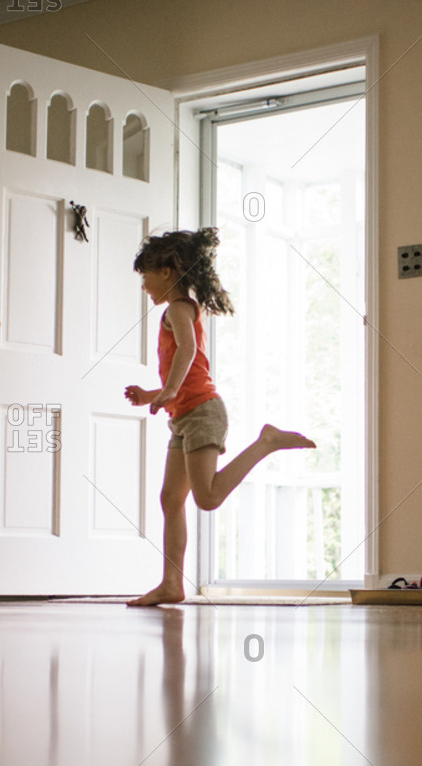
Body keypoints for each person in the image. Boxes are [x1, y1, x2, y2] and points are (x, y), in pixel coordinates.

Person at [123, 228, 314, 606]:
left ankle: (267, 442)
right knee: (169, 499)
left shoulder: (178, 308)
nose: (143, 283)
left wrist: (170, 391)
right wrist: (156, 393)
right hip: (185, 414)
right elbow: (182, 363)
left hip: (201, 413)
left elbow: (188, 352)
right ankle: (171, 584)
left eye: (145, 274)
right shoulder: (179, 309)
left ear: (166, 271)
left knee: (207, 498)